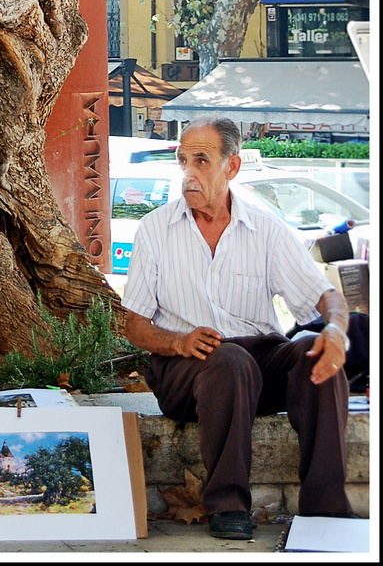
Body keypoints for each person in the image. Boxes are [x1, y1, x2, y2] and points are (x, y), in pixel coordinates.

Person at [122, 116, 354, 541]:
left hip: (256, 363)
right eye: (183, 161)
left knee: (313, 350)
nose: (188, 173)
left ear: (232, 167)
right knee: (226, 357)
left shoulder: (265, 229)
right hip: (185, 368)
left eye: (202, 161)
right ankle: (227, 504)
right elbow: (134, 326)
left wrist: (335, 331)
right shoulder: (154, 230)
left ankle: (325, 513)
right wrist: (177, 340)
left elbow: (327, 297)